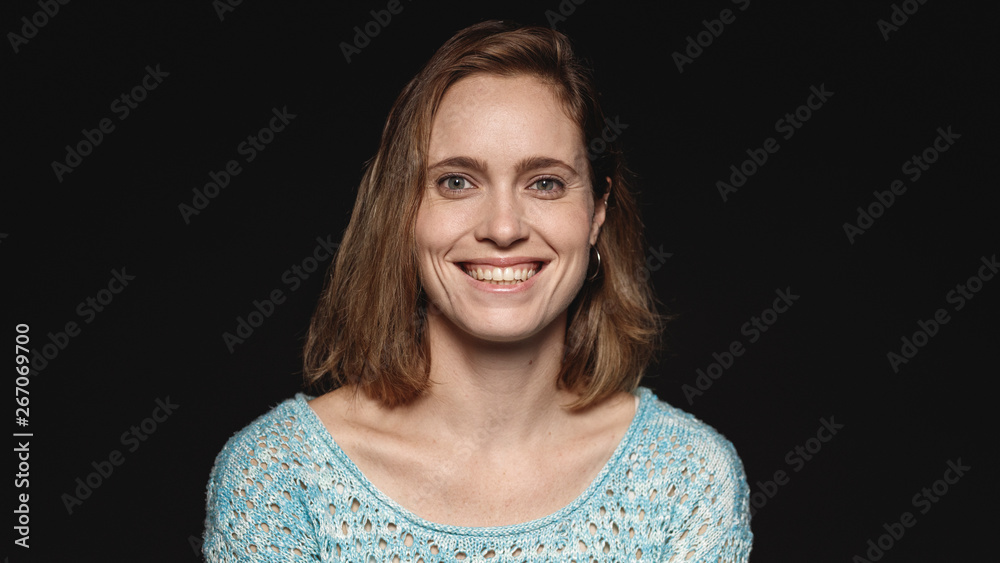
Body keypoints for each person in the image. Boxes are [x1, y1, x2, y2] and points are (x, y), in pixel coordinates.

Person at [202, 20, 752, 562]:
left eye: (545, 183)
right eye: (456, 182)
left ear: (597, 211)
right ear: (404, 210)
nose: (504, 227)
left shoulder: (686, 478)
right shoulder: (279, 476)